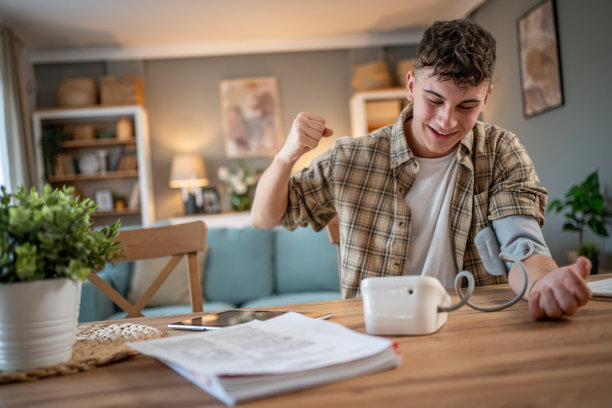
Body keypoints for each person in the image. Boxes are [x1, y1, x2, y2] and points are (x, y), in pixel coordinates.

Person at [251, 19, 591, 320]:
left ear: (486, 98)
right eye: (435, 100)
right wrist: (285, 157)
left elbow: (522, 246)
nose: (447, 121)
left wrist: (546, 282)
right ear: (411, 86)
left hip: (473, 326)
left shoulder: (501, 151)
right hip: (378, 330)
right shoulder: (350, 158)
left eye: (467, 106)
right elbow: (265, 217)